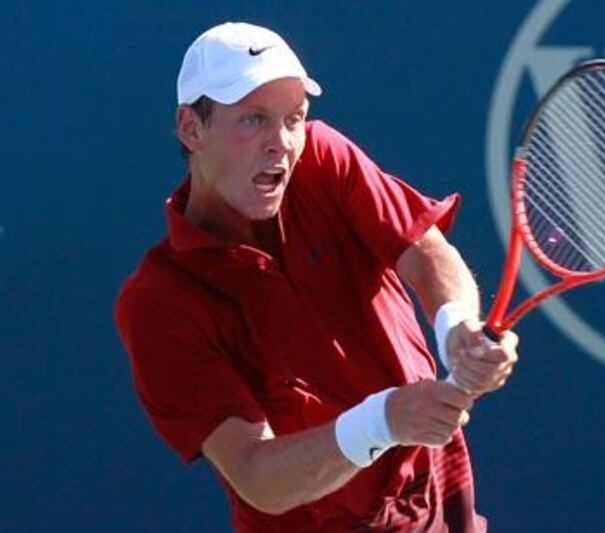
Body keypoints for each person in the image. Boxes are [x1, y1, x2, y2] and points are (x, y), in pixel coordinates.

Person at [115, 21, 518, 532]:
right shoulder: (157, 303)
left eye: (294, 119)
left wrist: (456, 327)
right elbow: (257, 475)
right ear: (191, 128)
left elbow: (424, 250)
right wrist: (385, 420)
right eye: (253, 120)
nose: (280, 143)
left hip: (437, 498)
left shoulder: (323, 157)